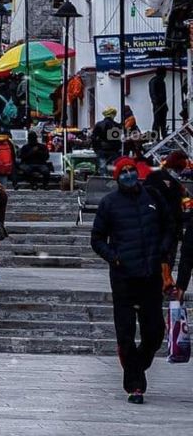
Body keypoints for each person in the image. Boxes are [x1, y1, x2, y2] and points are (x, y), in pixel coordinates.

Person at [90, 160, 172, 403]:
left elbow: (170, 226)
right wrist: (114, 258)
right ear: (117, 178)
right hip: (124, 277)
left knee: (155, 331)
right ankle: (135, 386)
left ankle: (136, 364)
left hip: (150, 275)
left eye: (131, 170)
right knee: (125, 333)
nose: (128, 175)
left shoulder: (153, 198)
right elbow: (97, 239)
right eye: (123, 172)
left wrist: (164, 251)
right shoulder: (109, 203)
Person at [92, 107, 121, 172]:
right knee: (112, 169)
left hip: (101, 150)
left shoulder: (99, 124)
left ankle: (103, 180)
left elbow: (94, 138)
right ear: (113, 115)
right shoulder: (116, 125)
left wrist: (96, 149)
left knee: (102, 169)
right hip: (113, 151)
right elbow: (118, 140)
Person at [149, 69, 168, 140]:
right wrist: (158, 103)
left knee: (159, 122)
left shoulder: (155, 81)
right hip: (159, 105)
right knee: (159, 122)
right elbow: (155, 94)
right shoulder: (157, 81)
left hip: (159, 105)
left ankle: (158, 137)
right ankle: (157, 138)